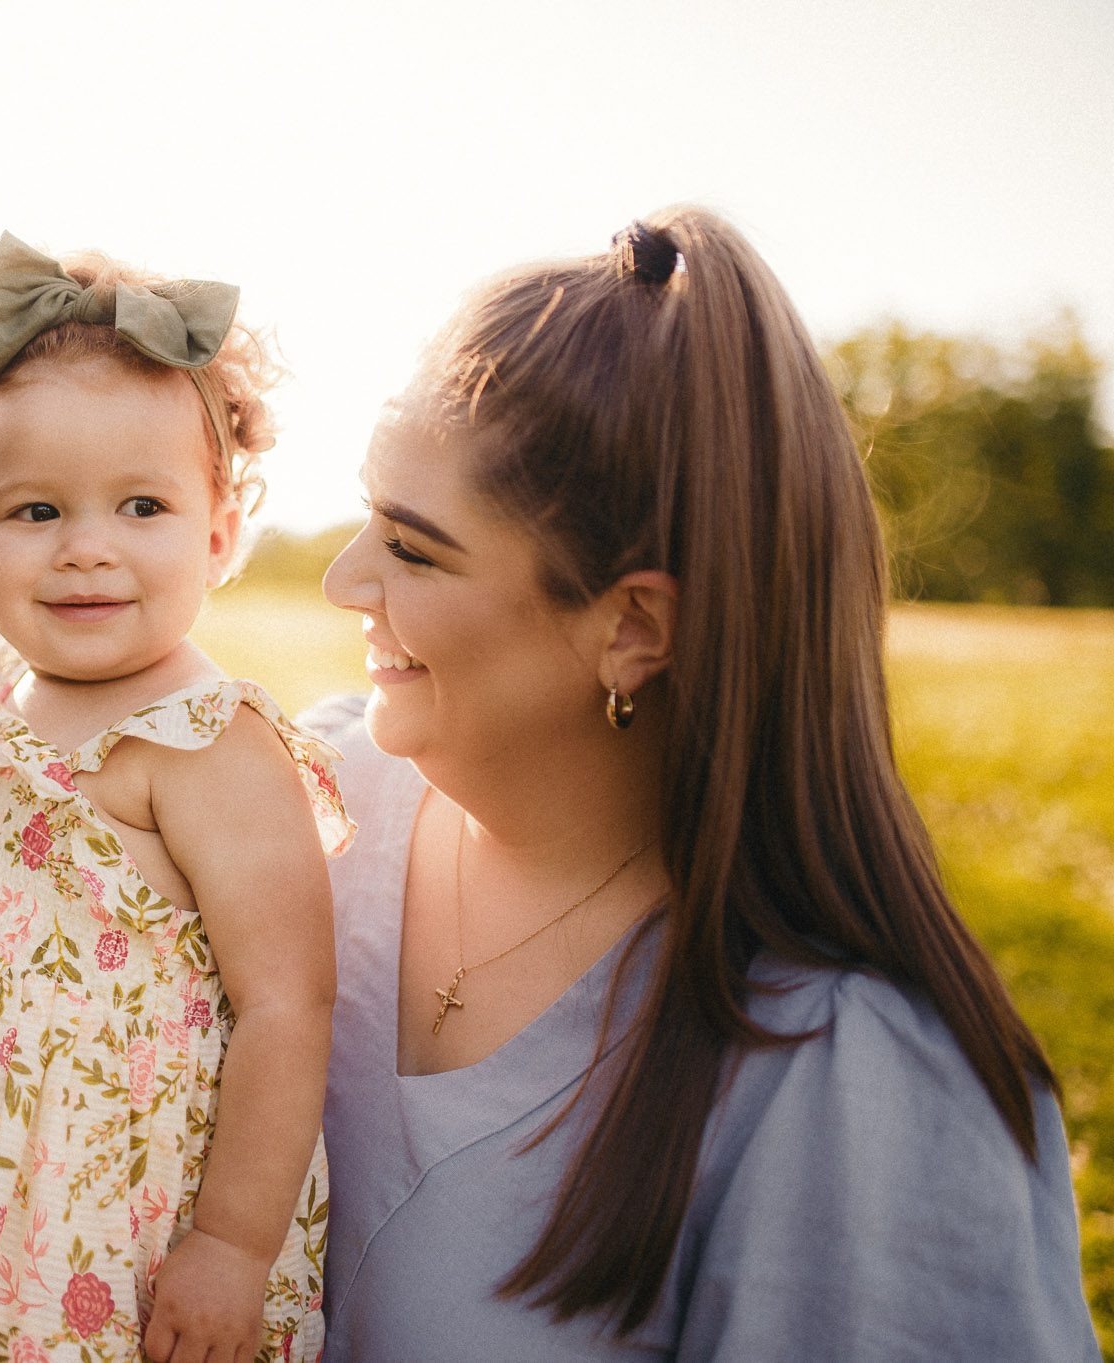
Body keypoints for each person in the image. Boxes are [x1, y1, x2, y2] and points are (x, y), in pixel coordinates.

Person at [304, 207, 1100, 1360]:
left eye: (411, 548)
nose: (340, 582)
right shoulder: (301, 803)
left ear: (632, 627)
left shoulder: (852, 1086)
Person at [0, 235, 350, 1363]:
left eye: (140, 507)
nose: (86, 552)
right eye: (36, 513)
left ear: (218, 533)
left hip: (123, 1221)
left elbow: (289, 1003)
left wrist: (233, 1246)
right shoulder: (26, 690)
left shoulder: (205, 740)